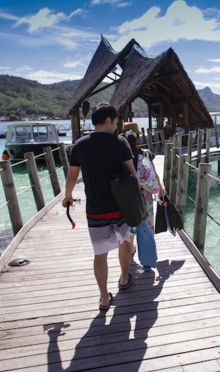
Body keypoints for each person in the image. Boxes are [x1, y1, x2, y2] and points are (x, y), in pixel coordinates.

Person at [62, 103, 136, 311]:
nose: (115, 126)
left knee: (100, 254)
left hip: (96, 209)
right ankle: (123, 279)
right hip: (121, 207)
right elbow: (131, 173)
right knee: (124, 243)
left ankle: (104, 298)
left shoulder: (79, 145)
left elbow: (72, 175)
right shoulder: (120, 142)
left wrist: (68, 196)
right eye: (115, 122)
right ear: (107, 121)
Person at [122, 122, 166, 270]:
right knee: (148, 226)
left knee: (130, 226)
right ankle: (147, 262)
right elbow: (154, 174)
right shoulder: (146, 153)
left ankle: (131, 251)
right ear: (137, 139)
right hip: (146, 196)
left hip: (128, 197)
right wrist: (160, 187)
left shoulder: (120, 156)